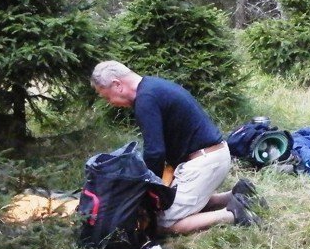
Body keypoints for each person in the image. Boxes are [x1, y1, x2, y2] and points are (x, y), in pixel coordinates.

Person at [91, 61, 259, 233]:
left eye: (107, 96)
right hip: (214, 156)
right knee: (173, 201)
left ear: (117, 85)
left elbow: (155, 152)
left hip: (204, 163)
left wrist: (149, 189)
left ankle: (233, 213)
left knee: (163, 222)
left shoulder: (145, 100)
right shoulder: (152, 87)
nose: (110, 102)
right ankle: (234, 195)